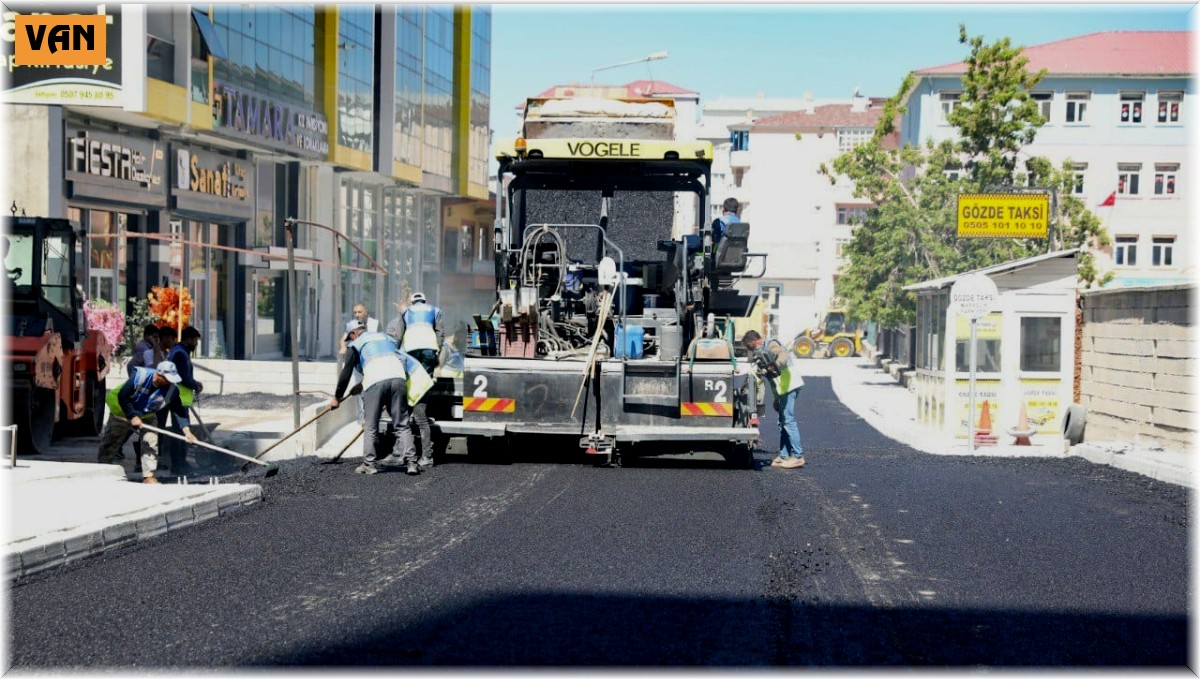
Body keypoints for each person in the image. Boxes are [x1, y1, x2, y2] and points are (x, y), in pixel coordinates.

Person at [331, 320, 419, 476]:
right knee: (402, 424)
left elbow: (346, 374)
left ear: (354, 333)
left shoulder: (355, 344)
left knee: (371, 425)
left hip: (375, 383)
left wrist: (337, 397)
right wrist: (362, 385)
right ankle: (412, 463)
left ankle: (369, 464)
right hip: (398, 379)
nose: (350, 340)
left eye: (350, 337)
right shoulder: (384, 337)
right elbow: (385, 362)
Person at [97, 361, 197, 484]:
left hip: (146, 415)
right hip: (122, 411)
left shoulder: (172, 390)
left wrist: (187, 431)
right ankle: (102, 469)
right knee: (111, 442)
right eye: (167, 379)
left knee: (150, 442)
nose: (169, 383)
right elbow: (123, 396)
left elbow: (179, 411)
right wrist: (132, 416)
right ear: (158, 374)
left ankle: (148, 476)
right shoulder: (141, 376)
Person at [387, 291, 443, 469]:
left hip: (411, 351)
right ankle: (419, 455)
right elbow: (440, 333)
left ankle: (399, 452)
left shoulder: (406, 312)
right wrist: (437, 352)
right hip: (428, 351)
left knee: (412, 388)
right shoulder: (435, 310)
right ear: (425, 301)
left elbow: (398, 335)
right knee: (422, 384)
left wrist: (393, 353)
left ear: (412, 302)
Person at [742, 330, 805, 469]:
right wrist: (777, 398)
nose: (751, 350)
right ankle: (784, 455)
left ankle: (798, 456)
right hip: (783, 388)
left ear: (754, 341)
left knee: (788, 420)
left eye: (750, 347)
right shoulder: (764, 351)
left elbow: (783, 354)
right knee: (782, 422)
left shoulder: (771, 345)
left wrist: (774, 365)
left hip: (789, 385)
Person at [161, 326, 204, 477]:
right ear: (188, 339)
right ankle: (178, 465)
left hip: (180, 397)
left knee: (181, 429)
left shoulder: (180, 351)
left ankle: (180, 463)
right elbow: (181, 377)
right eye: (195, 341)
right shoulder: (179, 353)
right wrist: (195, 385)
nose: (196, 344)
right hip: (176, 397)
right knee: (180, 430)